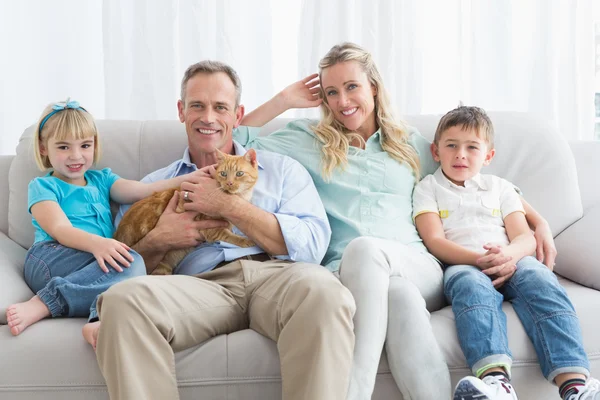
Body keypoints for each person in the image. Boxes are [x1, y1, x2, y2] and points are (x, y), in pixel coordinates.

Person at [235, 42, 559, 399]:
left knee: (377, 260)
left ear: (373, 86)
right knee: (399, 297)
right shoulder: (307, 140)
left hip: (418, 267)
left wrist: (539, 220)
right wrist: (283, 100)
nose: (343, 101)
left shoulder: (409, 144)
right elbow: (235, 144)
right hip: (344, 274)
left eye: (352, 87)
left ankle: (354, 392)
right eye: (332, 92)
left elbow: (474, 180)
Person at [82, 60, 355, 400]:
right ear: (181, 111)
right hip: (198, 285)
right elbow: (121, 265)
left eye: (220, 107)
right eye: (197, 105)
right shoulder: (152, 186)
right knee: (122, 301)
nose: (208, 117)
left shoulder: (282, 170)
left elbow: (313, 246)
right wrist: (159, 240)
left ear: (237, 115)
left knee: (327, 293)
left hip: (279, 277)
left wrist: (228, 206)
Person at [413, 105, 600, 400]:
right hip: (464, 264)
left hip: (511, 259)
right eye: (451, 146)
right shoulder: (428, 188)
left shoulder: (499, 188)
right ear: (436, 152)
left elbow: (524, 236)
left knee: (541, 281)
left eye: (472, 147)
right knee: (471, 288)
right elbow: (434, 239)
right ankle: (495, 383)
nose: (461, 154)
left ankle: (575, 384)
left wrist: (510, 256)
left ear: (489, 156)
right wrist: (476, 260)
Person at [5, 99, 209, 336]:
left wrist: (186, 179)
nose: (75, 156)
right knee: (131, 262)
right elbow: (59, 229)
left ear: (94, 145)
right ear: (43, 148)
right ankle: (43, 303)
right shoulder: (44, 186)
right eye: (63, 147)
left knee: (131, 273)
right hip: (50, 258)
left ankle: (97, 320)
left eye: (84, 146)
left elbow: (141, 190)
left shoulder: (102, 180)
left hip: (93, 266)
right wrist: (99, 244)